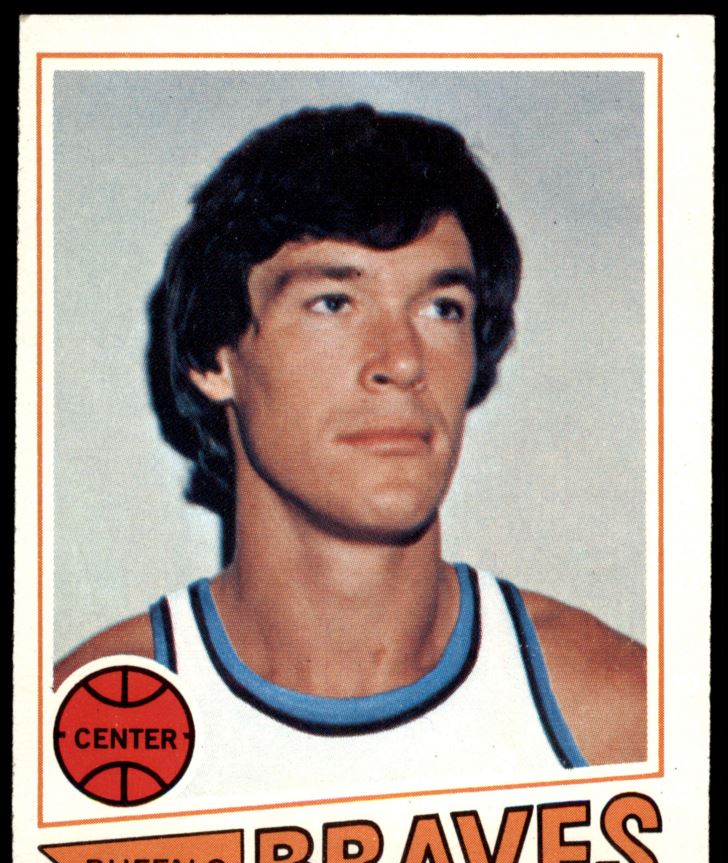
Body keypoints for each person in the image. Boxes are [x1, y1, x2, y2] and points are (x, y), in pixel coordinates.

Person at [54, 104, 646, 792]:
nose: (402, 360)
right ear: (214, 359)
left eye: (442, 309)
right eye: (334, 302)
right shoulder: (84, 733)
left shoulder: (621, 722)